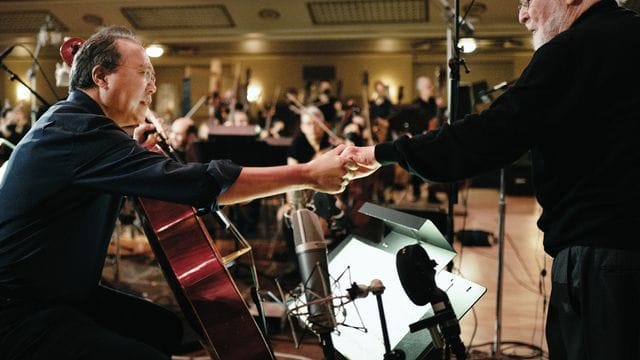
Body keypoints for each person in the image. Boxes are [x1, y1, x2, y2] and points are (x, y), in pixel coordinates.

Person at [0, 26, 357, 360]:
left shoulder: (80, 126)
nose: (152, 88)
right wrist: (308, 174)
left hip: (57, 292)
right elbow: (197, 183)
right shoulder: (79, 132)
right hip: (21, 310)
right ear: (101, 77)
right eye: (144, 74)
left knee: (164, 329)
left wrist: (133, 151)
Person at [341, 1, 640, 359]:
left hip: (603, 262)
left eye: (529, 0)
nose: (522, 14)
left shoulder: (571, 49)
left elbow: (488, 136)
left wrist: (381, 154)